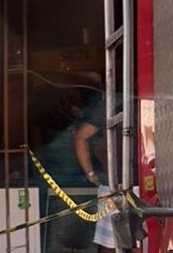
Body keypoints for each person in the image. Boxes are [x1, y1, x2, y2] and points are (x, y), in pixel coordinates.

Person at [74, 90, 115, 252]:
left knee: (111, 244)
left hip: (114, 185)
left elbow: (81, 136)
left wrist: (91, 174)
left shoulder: (110, 104)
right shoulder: (155, 101)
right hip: (149, 183)